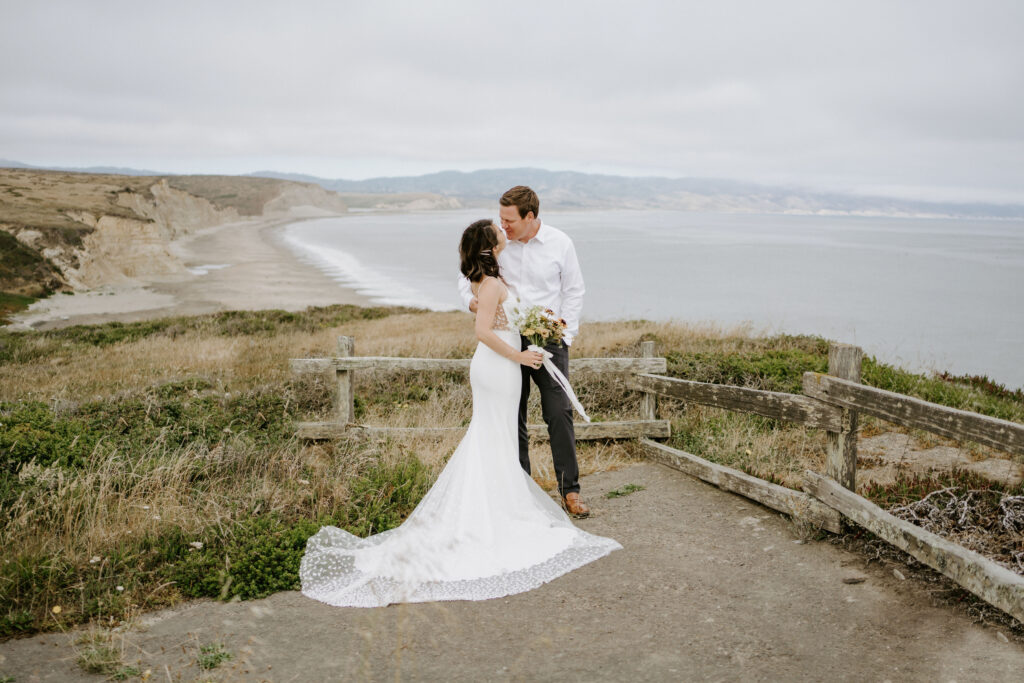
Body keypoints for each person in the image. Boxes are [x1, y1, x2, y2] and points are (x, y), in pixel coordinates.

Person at [299, 220, 620, 608]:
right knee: (495, 434)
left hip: (500, 365)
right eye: (497, 229)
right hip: (498, 365)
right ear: (490, 245)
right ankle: (493, 514)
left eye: (505, 224)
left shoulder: (490, 277)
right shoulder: (490, 283)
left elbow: (505, 316)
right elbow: (483, 331)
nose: (502, 229)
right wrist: (520, 354)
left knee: (498, 434)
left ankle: (504, 503)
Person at [458, 186, 589, 516]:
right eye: (500, 218)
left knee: (558, 412)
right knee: (512, 416)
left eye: (509, 219)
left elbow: (573, 291)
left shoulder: (561, 243)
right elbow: (467, 275)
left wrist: (565, 335)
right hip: (509, 341)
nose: (503, 225)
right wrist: (471, 300)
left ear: (530, 217)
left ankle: (570, 491)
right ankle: (521, 490)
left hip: (548, 341)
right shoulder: (496, 243)